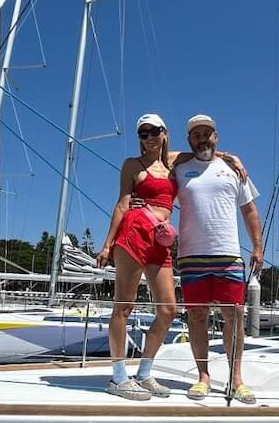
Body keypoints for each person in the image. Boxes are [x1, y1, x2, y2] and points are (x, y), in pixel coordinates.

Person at [95, 114, 247, 401]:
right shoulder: (132, 165)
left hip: (160, 240)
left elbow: (206, 152)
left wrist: (231, 157)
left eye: (155, 131)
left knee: (168, 310)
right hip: (134, 231)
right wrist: (107, 245)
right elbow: (122, 203)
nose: (149, 137)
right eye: (143, 133)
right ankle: (117, 377)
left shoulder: (174, 162)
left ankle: (144, 373)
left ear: (165, 133)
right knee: (123, 306)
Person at [175, 114, 264, 404]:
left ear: (216, 136)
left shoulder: (233, 171)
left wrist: (257, 247)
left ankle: (236, 380)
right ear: (189, 140)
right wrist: (229, 154)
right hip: (190, 255)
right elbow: (162, 153)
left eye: (207, 133)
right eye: (196, 134)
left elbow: (249, 211)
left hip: (228, 255)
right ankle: (203, 376)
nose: (202, 138)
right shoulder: (179, 168)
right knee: (196, 316)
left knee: (234, 316)